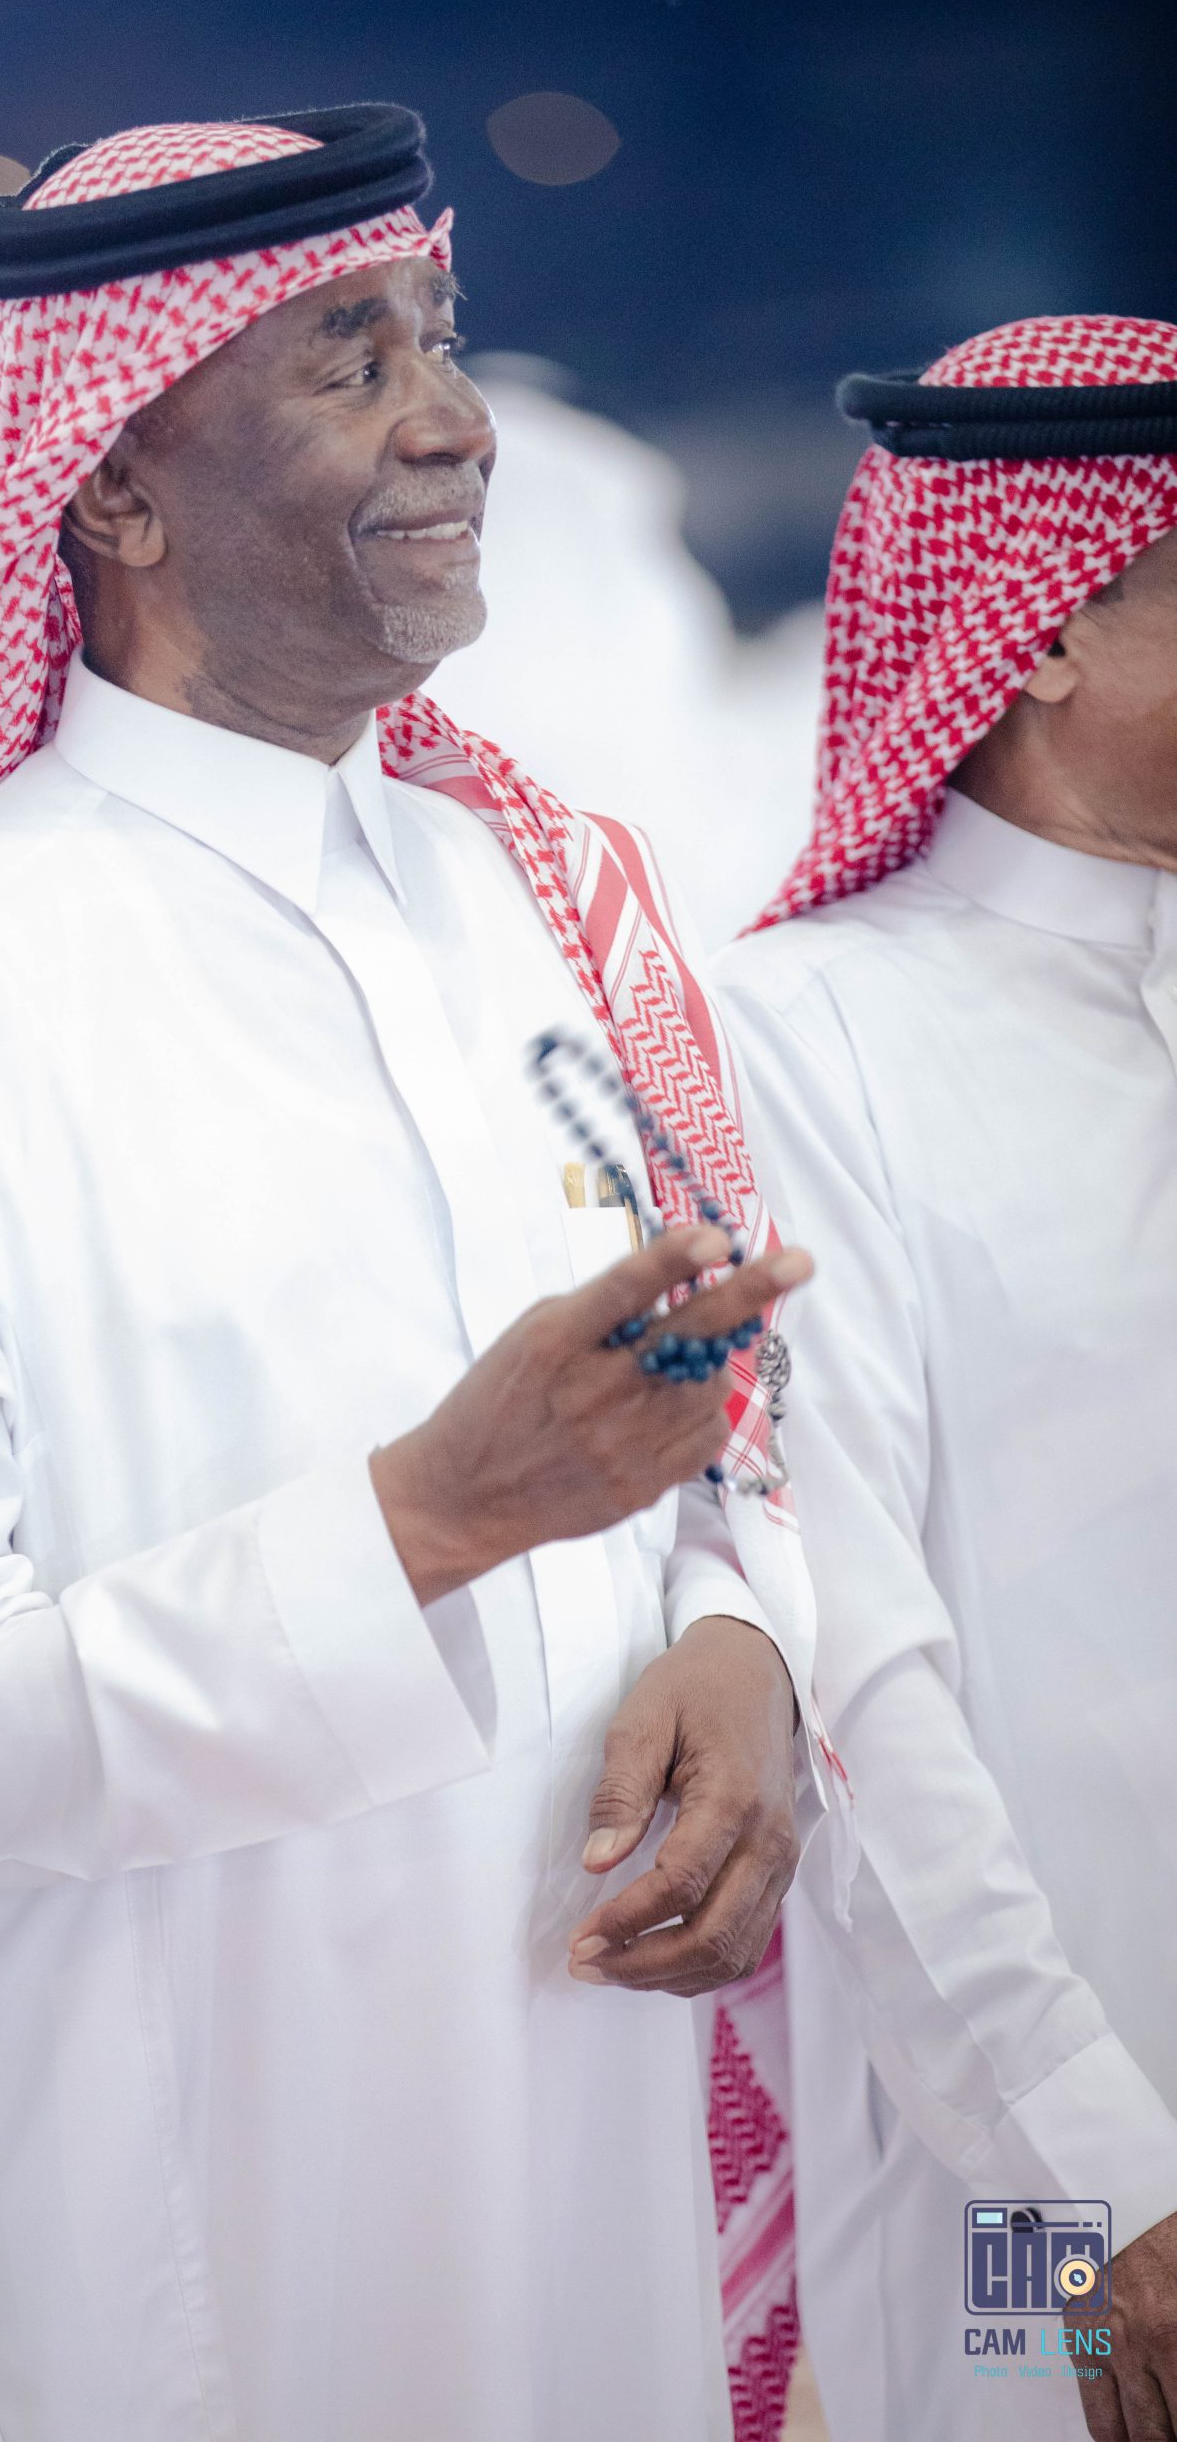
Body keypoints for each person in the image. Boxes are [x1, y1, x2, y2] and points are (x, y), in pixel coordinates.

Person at [0, 106, 847, 2442]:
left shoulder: (542, 897)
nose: (454, 420)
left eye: (437, 340)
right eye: (349, 362)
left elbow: (723, 1421)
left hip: (601, 2160)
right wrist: (425, 1520)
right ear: (110, 482)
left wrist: (739, 1629)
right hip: (206, 2233)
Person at [713, 315, 1177, 2442]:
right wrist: (1097, 2183)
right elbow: (847, 1661)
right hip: (1041, 2159)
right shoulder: (803, 1036)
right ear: (1049, 625)